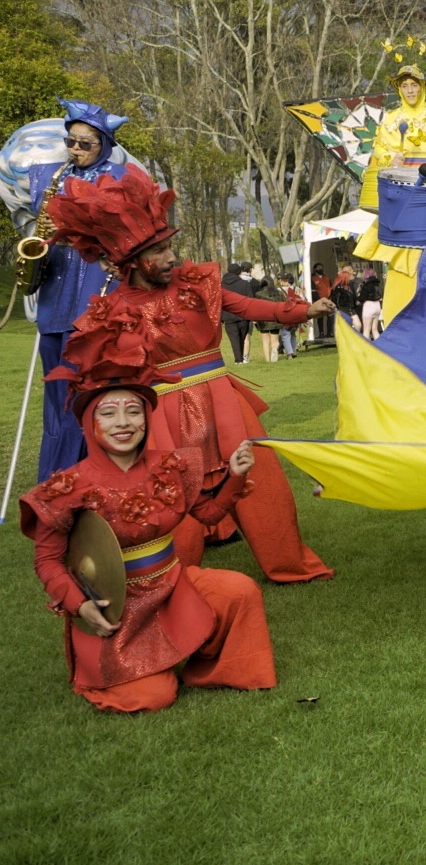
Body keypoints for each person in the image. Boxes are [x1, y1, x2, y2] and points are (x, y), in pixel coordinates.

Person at [45, 168, 337, 583]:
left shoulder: (196, 283)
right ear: (131, 260)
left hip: (223, 398)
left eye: (170, 247)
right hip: (164, 409)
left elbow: (247, 307)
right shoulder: (114, 309)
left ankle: (289, 563)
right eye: (159, 252)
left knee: (260, 478)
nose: (171, 258)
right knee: (173, 486)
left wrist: (305, 311)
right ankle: (176, 576)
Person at [19, 330, 276, 714]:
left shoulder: (168, 466)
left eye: (134, 410)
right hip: (116, 607)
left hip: (172, 586)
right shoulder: (66, 487)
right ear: (90, 422)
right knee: (153, 697)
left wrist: (234, 476)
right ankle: (145, 667)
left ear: (146, 417)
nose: (123, 422)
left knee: (239, 591)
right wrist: (79, 605)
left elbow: (206, 514)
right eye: (108, 412)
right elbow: (48, 562)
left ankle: (205, 665)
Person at [28, 100, 132, 480]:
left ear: (103, 143)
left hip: (99, 299)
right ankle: (57, 480)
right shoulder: (46, 176)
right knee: (56, 399)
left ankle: (97, 476)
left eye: (85, 143)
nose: (75, 149)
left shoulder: (122, 178)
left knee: (93, 394)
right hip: (54, 301)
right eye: (70, 141)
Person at [355, 64, 426, 322]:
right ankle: (397, 318)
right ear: (399, 89)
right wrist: (392, 158)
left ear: (423, 87)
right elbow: (378, 151)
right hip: (404, 196)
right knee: (402, 255)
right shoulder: (390, 119)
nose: (410, 90)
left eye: (414, 85)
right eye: (405, 86)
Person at [220, 262, 256, 364]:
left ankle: (238, 359)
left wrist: (221, 317)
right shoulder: (244, 284)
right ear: (239, 272)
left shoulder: (221, 285)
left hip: (228, 316)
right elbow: (250, 300)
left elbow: (218, 301)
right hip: (242, 315)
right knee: (242, 337)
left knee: (234, 338)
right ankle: (239, 359)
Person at [311, 263, 334, 342]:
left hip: (328, 299)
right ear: (314, 269)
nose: (320, 269)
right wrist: (319, 300)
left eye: (322, 267)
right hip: (319, 300)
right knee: (320, 317)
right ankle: (321, 332)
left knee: (330, 316)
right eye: (318, 268)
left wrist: (330, 298)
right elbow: (313, 291)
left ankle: (330, 332)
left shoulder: (326, 278)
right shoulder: (312, 278)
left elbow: (330, 288)